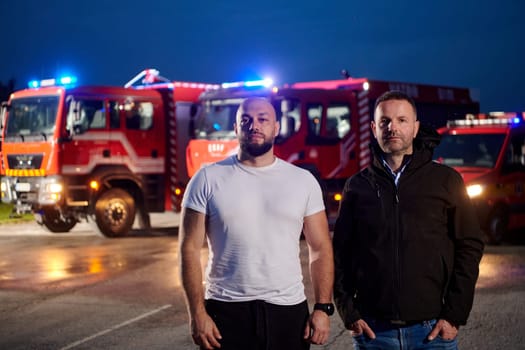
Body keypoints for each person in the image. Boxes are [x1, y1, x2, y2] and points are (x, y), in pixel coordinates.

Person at [332, 91, 484, 350]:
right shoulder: (357, 187)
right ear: (374, 128)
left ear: (415, 128)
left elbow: (469, 246)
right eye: (385, 122)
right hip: (374, 334)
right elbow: (340, 254)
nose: (393, 128)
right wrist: (350, 313)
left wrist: (453, 315)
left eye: (402, 120)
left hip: (432, 333)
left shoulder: (446, 181)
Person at [179, 97, 334, 350]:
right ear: (237, 127)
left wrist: (322, 307)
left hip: (288, 313)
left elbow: (320, 247)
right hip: (225, 312)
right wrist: (197, 313)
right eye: (246, 120)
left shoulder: (302, 181)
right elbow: (188, 249)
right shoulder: (206, 178)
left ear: (276, 127)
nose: (255, 125)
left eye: (263, 119)